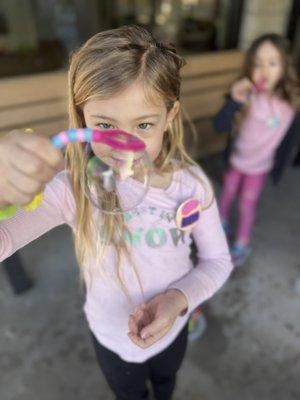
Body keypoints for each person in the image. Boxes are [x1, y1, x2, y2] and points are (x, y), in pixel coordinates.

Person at [0, 25, 233, 400]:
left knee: (165, 385)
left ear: (170, 114)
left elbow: (217, 260)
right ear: (82, 118)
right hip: (111, 339)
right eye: (105, 125)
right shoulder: (73, 189)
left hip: (174, 329)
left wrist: (178, 300)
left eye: (143, 124)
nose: (125, 145)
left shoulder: (191, 186)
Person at [214, 33, 300, 267]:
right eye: (257, 63)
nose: (264, 70)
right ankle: (219, 222)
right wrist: (233, 100)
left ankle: (242, 243)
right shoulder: (244, 94)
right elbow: (218, 125)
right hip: (236, 161)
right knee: (227, 192)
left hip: (259, 168)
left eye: (272, 63)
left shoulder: (291, 103)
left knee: (246, 204)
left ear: (285, 66)